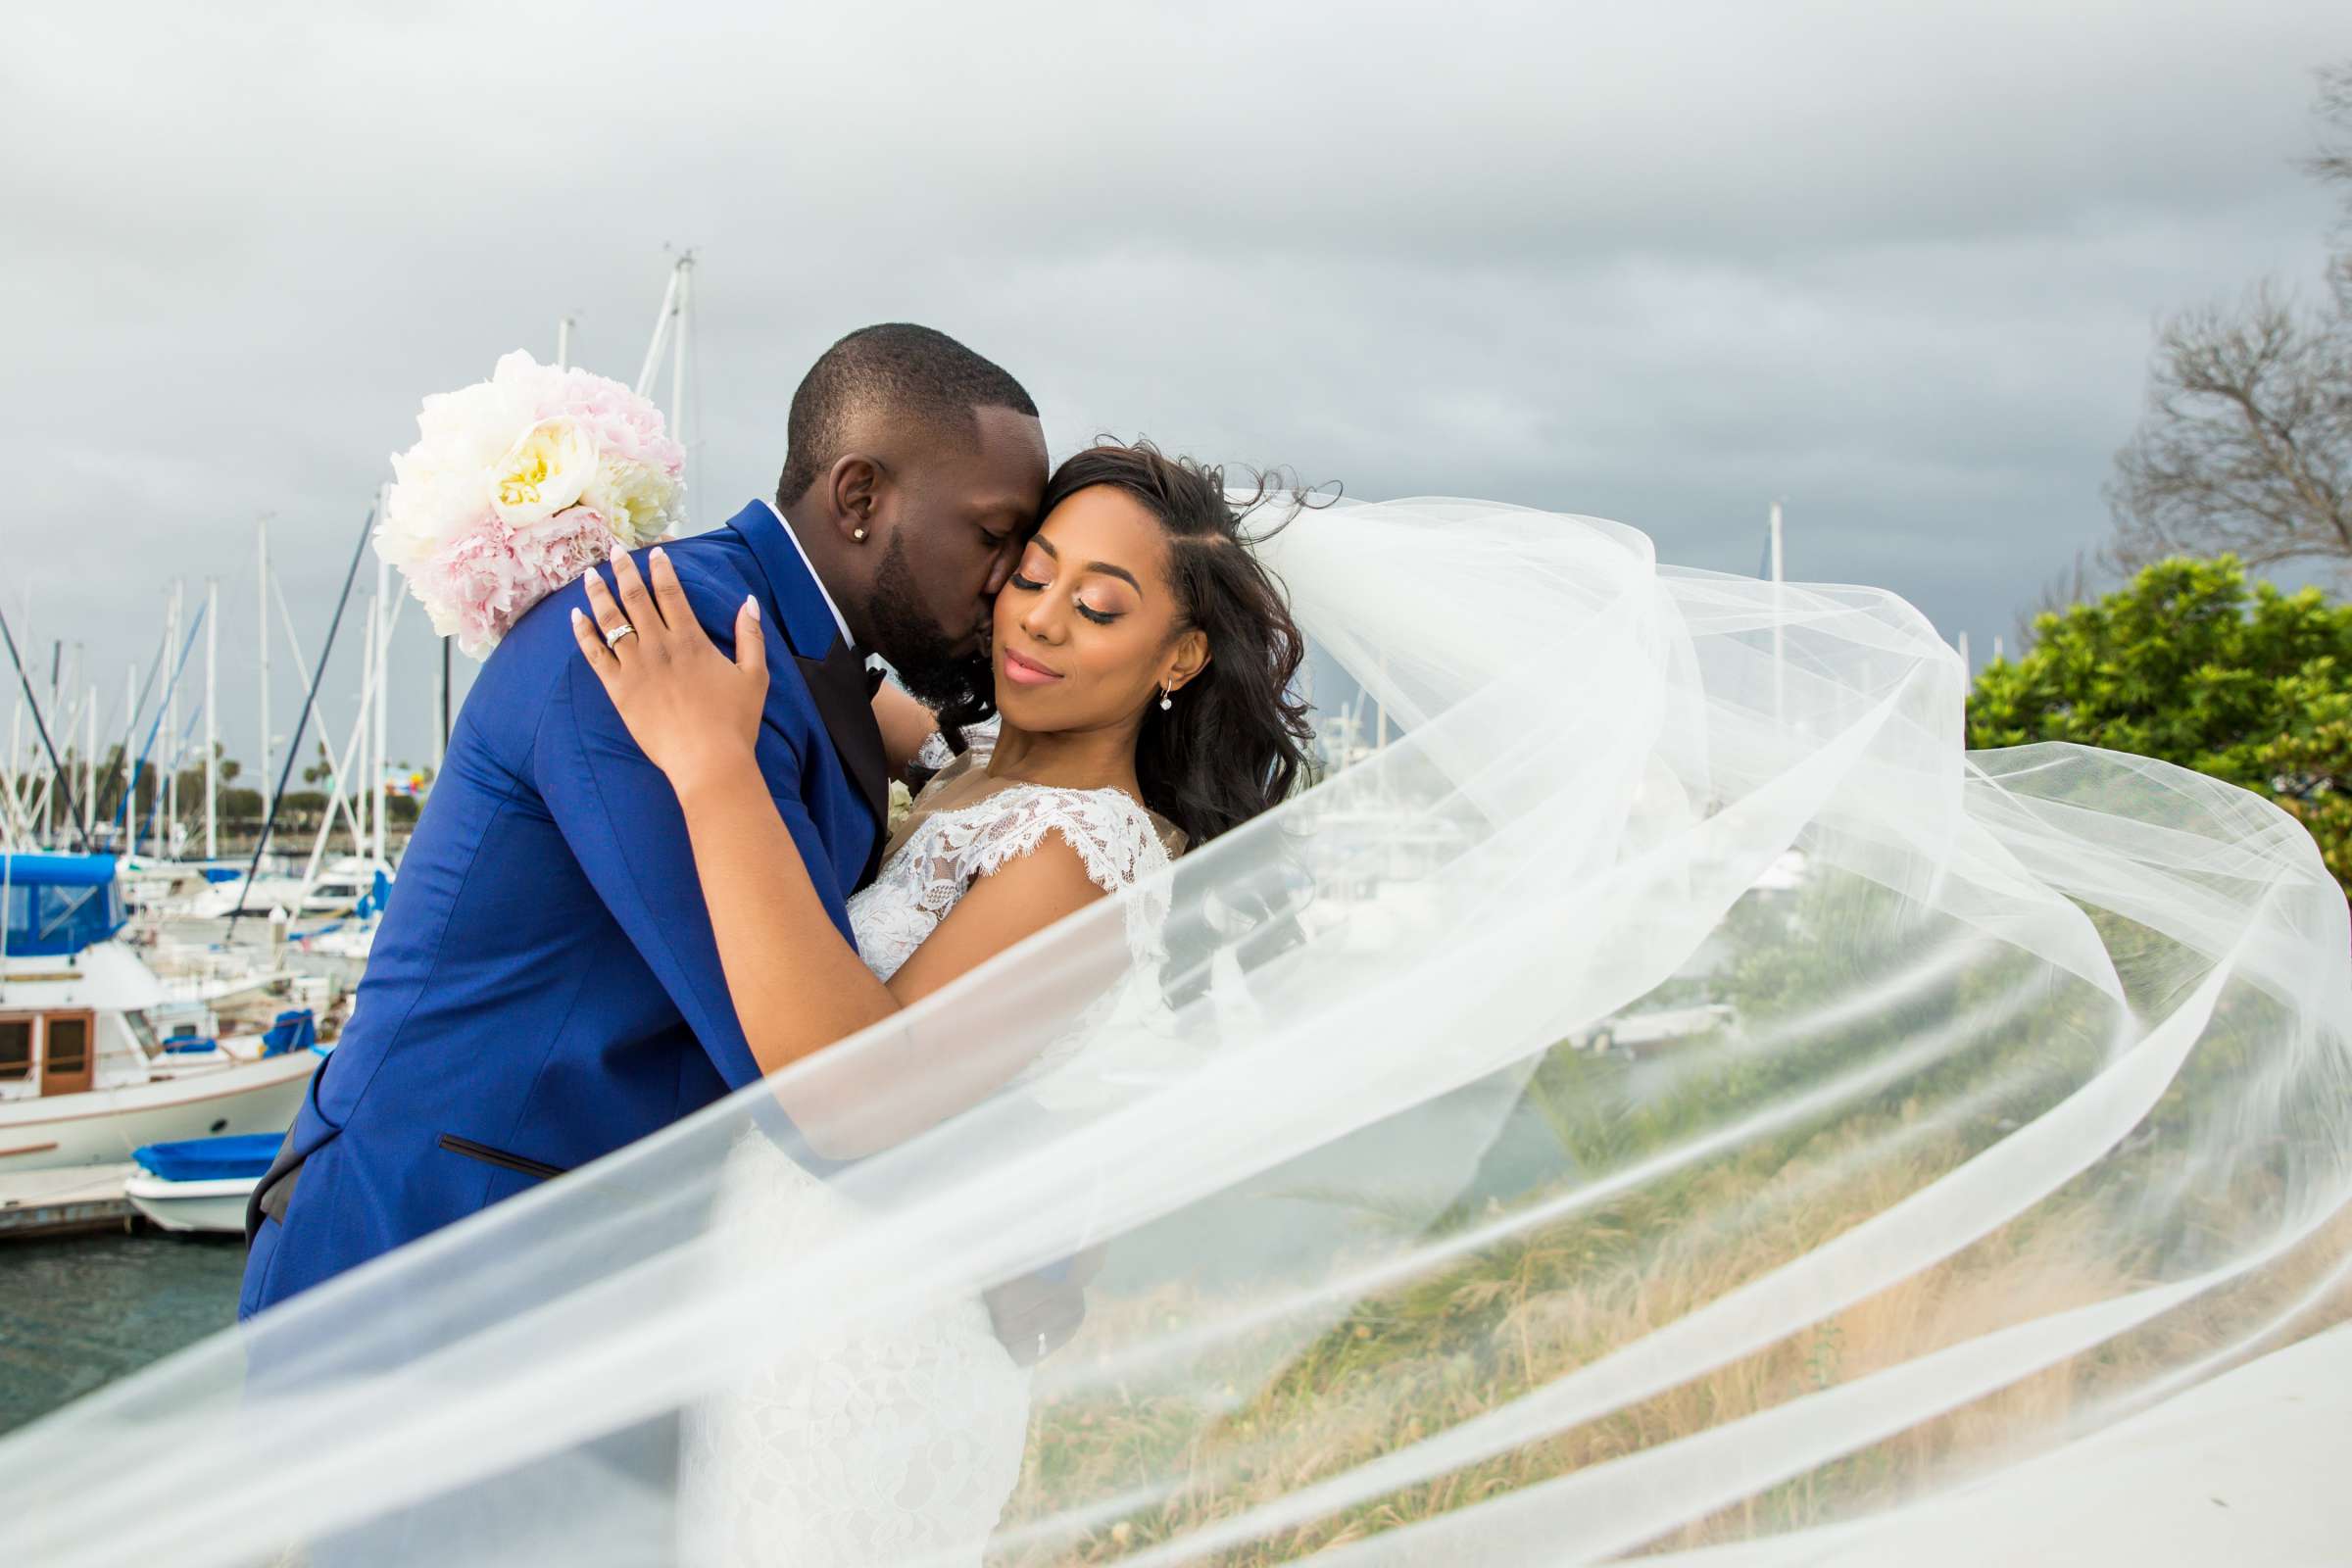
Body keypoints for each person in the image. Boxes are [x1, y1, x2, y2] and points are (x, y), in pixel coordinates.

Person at [238, 324, 1082, 1367]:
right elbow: (808, 1074)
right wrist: (1019, 1223)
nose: (1008, 585)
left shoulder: (779, 641)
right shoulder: (652, 644)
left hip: (582, 1282)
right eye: (993, 537)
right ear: (860, 498)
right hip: (426, 1275)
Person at [568, 438, 1316, 1564]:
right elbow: (818, 662)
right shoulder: (972, 764)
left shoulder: (1080, 850)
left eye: (1100, 607)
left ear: (1181, 658)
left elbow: (856, 1094)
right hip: (781, 1292)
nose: (1043, 620)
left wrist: (712, 763)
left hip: (872, 1339)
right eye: (1032, 574)